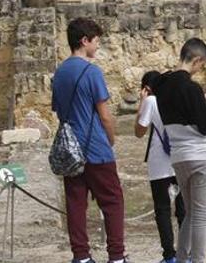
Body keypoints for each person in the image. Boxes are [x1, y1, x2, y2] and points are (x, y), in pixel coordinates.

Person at [51, 17, 130, 263]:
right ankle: (116, 256)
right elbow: (105, 115)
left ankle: (81, 256)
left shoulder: (60, 73)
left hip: (70, 149)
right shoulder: (91, 71)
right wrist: (110, 139)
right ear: (84, 41)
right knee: (112, 201)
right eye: (96, 41)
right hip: (95, 146)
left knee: (75, 203)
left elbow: (59, 110)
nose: (98, 46)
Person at [154, 38, 206, 263]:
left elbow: (180, 110)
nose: (200, 69)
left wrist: (201, 101)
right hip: (200, 156)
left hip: (178, 156)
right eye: (202, 65)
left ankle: (182, 258)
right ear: (197, 60)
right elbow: (205, 126)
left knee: (190, 213)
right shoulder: (191, 88)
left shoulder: (162, 86)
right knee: (201, 215)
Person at [135, 70, 185, 263]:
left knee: (163, 209)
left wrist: (142, 103)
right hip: (180, 159)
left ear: (147, 88)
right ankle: (186, 253)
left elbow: (139, 131)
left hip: (159, 164)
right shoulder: (176, 98)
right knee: (183, 209)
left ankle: (169, 255)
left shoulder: (150, 101)